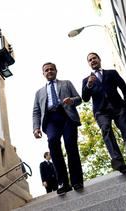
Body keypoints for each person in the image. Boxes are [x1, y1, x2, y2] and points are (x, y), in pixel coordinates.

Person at [82, 52, 126, 174]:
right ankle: (119, 162)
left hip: (118, 107)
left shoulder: (111, 73)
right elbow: (85, 98)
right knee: (106, 130)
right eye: (90, 60)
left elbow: (123, 87)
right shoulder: (86, 80)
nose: (92, 60)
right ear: (88, 63)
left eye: (94, 58)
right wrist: (88, 85)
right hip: (101, 112)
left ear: (99, 59)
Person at [33, 62, 84, 195]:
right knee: (53, 143)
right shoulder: (39, 93)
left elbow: (79, 99)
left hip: (67, 117)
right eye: (46, 70)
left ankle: (77, 180)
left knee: (70, 145)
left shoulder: (66, 83)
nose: (49, 71)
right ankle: (63, 182)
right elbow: (36, 111)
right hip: (51, 120)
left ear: (56, 71)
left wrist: (71, 101)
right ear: (43, 73)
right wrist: (36, 127)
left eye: (51, 69)